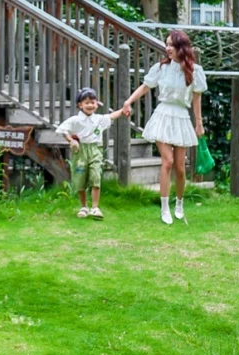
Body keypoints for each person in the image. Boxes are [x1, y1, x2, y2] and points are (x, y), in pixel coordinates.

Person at [122, 29, 206, 225]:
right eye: (166, 44)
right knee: (167, 161)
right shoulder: (160, 68)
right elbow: (145, 86)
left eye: (171, 45)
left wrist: (199, 122)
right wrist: (129, 102)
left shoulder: (195, 71)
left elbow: (196, 97)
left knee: (180, 167)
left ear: (181, 47)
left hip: (181, 117)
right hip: (162, 115)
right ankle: (164, 207)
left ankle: (179, 204)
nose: (167, 48)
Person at [56, 87, 127, 219]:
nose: (90, 105)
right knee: (80, 177)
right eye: (87, 102)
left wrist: (123, 110)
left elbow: (111, 116)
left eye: (92, 102)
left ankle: (95, 207)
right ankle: (84, 207)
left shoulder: (99, 119)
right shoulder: (75, 120)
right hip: (80, 151)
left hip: (95, 149)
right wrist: (71, 140)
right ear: (80, 105)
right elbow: (63, 129)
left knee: (96, 177)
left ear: (97, 104)